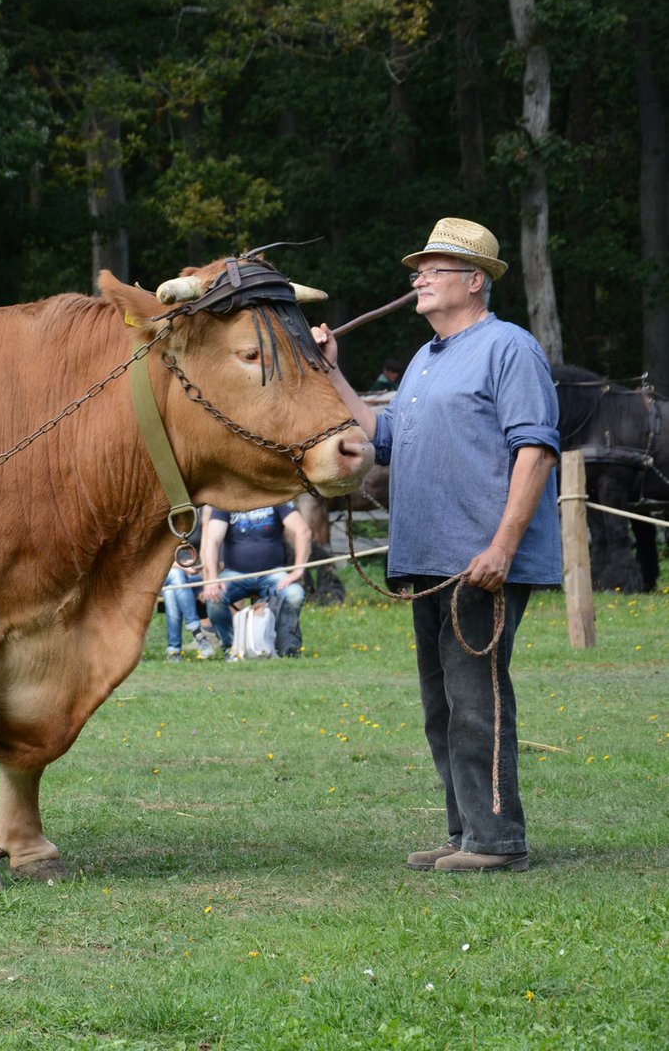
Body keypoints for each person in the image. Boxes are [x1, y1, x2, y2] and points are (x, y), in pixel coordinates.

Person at [316, 217, 559, 873]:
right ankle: (465, 833)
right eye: (418, 268)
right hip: (426, 562)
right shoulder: (426, 359)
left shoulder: (510, 348)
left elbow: (534, 450)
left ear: (474, 281)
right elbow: (384, 436)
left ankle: (498, 841)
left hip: (480, 561)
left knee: (478, 699)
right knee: (443, 705)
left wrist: (503, 548)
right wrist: (335, 375)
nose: (417, 277)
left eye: (434, 267)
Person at [199, 502, 311, 659]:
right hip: (235, 575)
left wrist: (298, 569)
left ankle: (285, 648)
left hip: (272, 574)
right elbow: (212, 541)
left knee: (295, 594)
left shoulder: (276, 497)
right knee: (215, 599)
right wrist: (211, 578)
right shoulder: (226, 501)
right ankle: (231, 649)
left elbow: (303, 531)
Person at [162, 552, 219, 661]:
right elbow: (156, 559)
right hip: (162, 577)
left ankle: (174, 650)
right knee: (176, 574)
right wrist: (181, 566)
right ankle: (198, 633)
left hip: (185, 580)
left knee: (171, 590)